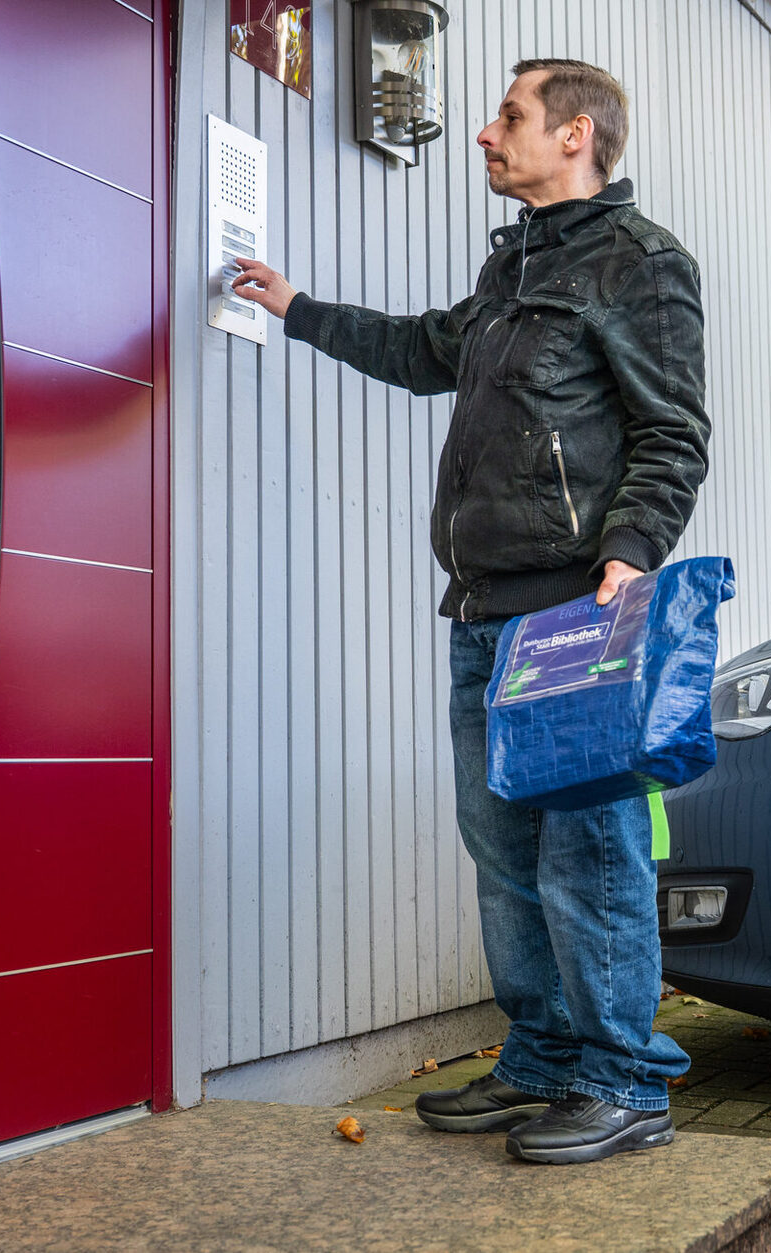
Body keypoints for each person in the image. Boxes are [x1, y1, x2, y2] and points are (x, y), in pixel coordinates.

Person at [230, 58, 708, 1165]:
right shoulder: (517, 267)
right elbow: (422, 351)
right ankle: (542, 1057)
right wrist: (296, 308)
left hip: (573, 611)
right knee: (504, 853)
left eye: (510, 116)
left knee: (589, 854)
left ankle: (624, 1080)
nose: (488, 135)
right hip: (483, 612)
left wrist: (631, 551)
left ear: (575, 134)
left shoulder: (641, 264)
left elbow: (674, 433)